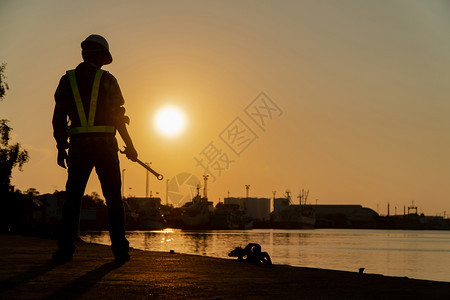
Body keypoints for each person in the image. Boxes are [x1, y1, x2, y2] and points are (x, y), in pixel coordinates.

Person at [52, 34, 138, 263]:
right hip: (105, 147)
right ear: (100, 55)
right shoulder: (108, 80)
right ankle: (120, 250)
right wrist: (130, 146)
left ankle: (65, 249)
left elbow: (58, 117)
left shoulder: (67, 80)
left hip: (78, 147)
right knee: (113, 198)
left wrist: (61, 147)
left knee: (73, 199)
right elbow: (118, 117)